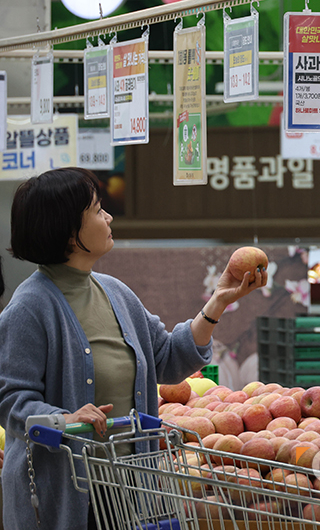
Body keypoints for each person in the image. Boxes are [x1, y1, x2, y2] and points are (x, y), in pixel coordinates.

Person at [0, 168, 267, 529]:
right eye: (96, 210)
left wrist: (218, 303)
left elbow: (168, 359)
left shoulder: (116, 292)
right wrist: (64, 419)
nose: (108, 217)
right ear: (68, 230)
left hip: (127, 490)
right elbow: (11, 399)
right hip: (65, 496)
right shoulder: (30, 308)